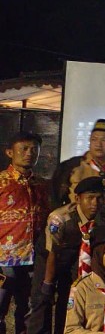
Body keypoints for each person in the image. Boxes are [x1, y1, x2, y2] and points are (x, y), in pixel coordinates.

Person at [28, 176, 105, 334]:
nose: (95, 203)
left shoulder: (103, 215)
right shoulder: (60, 218)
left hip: (75, 257)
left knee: (70, 298)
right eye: (90, 198)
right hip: (50, 257)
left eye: (99, 198)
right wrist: (48, 284)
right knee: (42, 299)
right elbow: (52, 252)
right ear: (77, 199)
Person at [0, 132, 49, 334]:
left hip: (32, 259)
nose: (29, 153)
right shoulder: (1, 182)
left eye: (34, 149)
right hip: (4, 259)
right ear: (10, 152)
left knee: (28, 312)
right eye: (24, 149)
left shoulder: (42, 185)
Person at [51, 119, 105, 208]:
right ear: (89, 142)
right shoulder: (71, 166)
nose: (98, 144)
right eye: (94, 139)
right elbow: (54, 198)